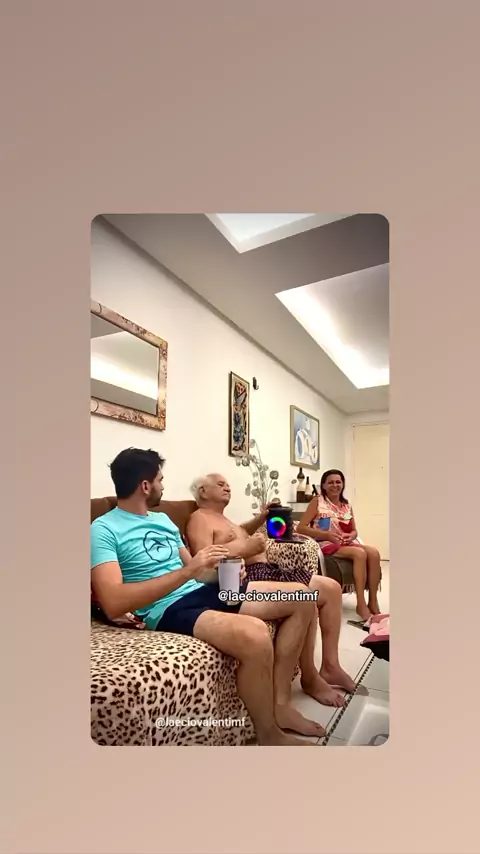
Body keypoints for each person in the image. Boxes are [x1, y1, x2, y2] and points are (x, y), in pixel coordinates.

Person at [90, 448, 324, 746]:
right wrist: (189, 572)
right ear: (145, 486)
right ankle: (269, 735)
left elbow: (197, 573)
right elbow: (113, 602)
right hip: (166, 608)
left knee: (302, 598)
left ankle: (281, 705)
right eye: (160, 480)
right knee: (254, 634)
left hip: (200, 590)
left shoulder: (162, 521)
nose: (163, 486)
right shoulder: (103, 529)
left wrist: (224, 572)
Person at [187, 473, 357, 705]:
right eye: (220, 484)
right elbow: (204, 559)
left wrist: (261, 518)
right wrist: (245, 547)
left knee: (332, 589)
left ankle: (330, 665)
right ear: (203, 492)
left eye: (228, 484)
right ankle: (310, 677)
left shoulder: (223, 519)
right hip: (248, 576)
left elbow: (238, 533)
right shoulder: (200, 518)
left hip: (268, 570)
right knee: (307, 598)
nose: (227, 487)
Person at [296, 468, 382, 621]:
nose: (335, 485)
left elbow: (354, 530)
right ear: (323, 485)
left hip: (345, 543)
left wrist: (351, 535)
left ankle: (373, 602)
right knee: (360, 553)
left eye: (338, 482)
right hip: (324, 543)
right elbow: (301, 528)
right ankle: (361, 604)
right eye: (330, 482)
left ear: (343, 484)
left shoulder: (346, 505)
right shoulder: (317, 502)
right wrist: (326, 535)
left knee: (374, 553)